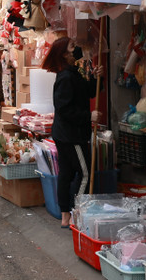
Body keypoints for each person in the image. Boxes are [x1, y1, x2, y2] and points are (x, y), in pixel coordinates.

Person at [41, 37, 104, 229]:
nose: (76, 49)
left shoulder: (74, 73)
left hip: (67, 133)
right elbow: (64, 109)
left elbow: (90, 93)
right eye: (72, 47)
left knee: (66, 174)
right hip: (71, 135)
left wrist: (96, 76)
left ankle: (65, 216)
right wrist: (88, 116)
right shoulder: (66, 77)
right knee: (85, 173)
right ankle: (77, 213)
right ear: (65, 54)